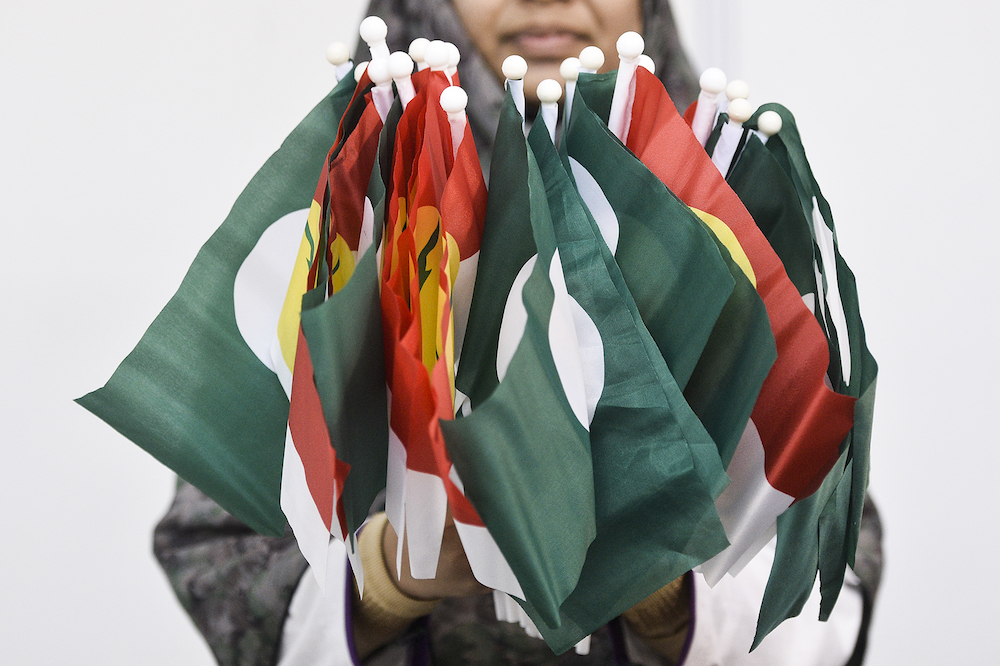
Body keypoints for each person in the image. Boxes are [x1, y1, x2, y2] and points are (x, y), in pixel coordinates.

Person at [154, 1, 883, 664]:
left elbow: (826, 574)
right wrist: (386, 578)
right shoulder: (341, 226)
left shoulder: (734, 228)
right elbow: (218, 553)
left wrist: (666, 592)